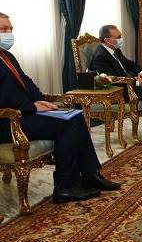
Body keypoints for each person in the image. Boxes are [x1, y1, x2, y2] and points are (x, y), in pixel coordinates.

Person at [0, 12, 120, 203]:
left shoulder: (7, 56)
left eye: (10, 29)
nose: (9, 33)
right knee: (67, 125)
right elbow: (3, 96)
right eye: (3, 29)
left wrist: (41, 101)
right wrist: (31, 106)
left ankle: (90, 175)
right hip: (7, 122)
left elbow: (25, 82)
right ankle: (65, 188)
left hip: (24, 113)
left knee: (75, 116)